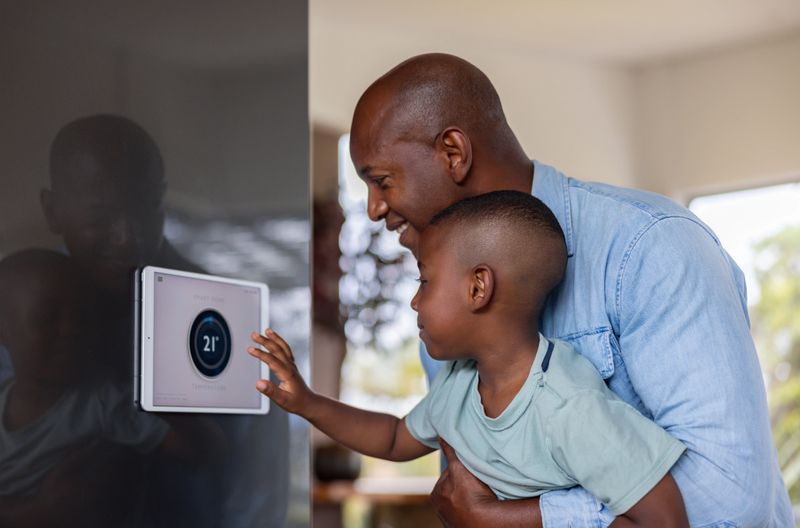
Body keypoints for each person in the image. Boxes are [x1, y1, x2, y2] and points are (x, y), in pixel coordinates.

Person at [347, 53, 793, 527]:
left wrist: (515, 518)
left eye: (380, 180)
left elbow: (728, 498)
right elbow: (465, 490)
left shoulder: (650, 246)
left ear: (453, 154)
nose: (374, 209)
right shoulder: (448, 305)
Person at [249, 191, 690, 526]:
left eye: (425, 282)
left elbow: (666, 521)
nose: (415, 303)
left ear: (478, 288)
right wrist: (307, 402)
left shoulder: (569, 406)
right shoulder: (459, 383)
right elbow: (392, 438)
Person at [0, 249, 219, 526]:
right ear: (3, 330)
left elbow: (200, 448)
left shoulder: (103, 401)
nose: (70, 330)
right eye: (48, 317)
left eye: (82, 316)